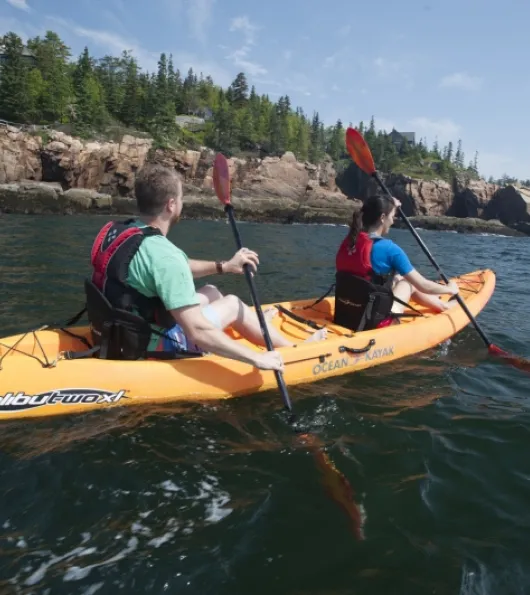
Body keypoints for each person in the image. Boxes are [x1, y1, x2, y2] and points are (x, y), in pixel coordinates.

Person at [87, 163, 326, 370]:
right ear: (171, 205)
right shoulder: (164, 255)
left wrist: (224, 266)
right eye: (181, 198)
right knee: (232, 303)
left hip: (119, 324)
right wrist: (257, 358)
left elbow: (170, 270)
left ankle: (253, 322)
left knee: (211, 291)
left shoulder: (123, 232)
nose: (182, 203)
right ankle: (294, 350)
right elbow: (196, 331)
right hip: (149, 342)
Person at [334, 194, 459, 331]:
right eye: (392, 216)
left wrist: (391, 204)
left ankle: (434, 297)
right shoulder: (389, 249)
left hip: (347, 312)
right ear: (382, 218)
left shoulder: (350, 242)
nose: (393, 221)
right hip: (373, 321)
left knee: (397, 277)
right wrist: (450, 289)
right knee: (408, 282)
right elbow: (423, 285)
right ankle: (444, 305)